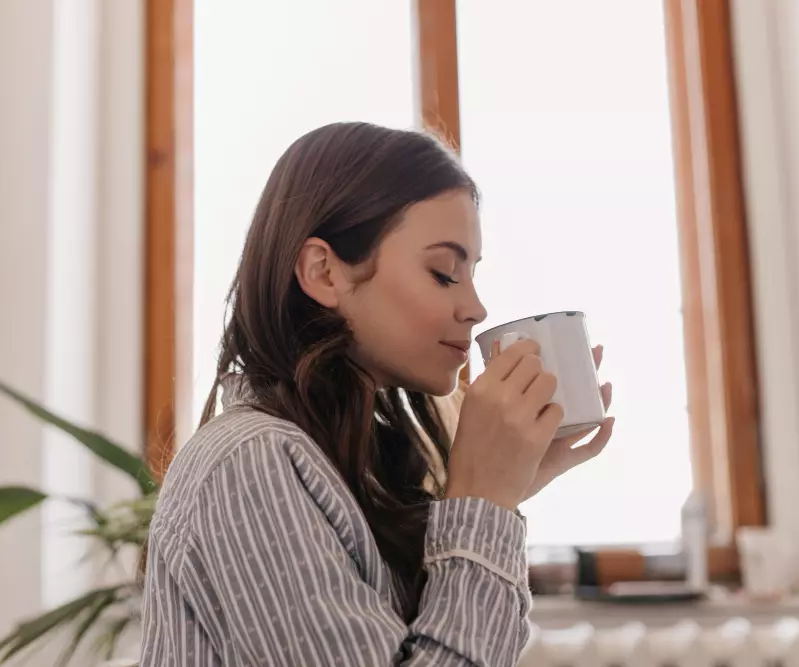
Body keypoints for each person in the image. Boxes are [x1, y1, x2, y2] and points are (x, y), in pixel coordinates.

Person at [140, 122, 614, 666]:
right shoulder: (251, 460)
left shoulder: (349, 465)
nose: (477, 308)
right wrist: (481, 505)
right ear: (323, 272)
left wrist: (503, 491)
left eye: (473, 274)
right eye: (443, 273)